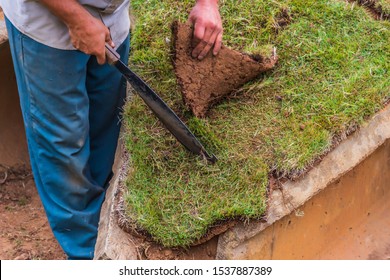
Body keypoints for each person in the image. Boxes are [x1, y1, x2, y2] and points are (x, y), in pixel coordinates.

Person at [0, 0, 222, 259]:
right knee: (64, 149)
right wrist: (76, 19)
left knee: (105, 133)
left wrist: (207, 4)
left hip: (111, 21)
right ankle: (85, 254)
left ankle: (101, 226)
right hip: (48, 25)